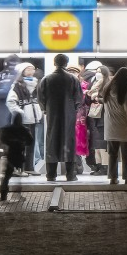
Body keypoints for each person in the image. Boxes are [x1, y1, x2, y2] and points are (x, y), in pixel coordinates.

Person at [37, 53, 82, 181]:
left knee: (52, 141)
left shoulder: (46, 79)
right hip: (69, 115)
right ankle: (70, 174)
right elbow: (79, 98)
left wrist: (45, 109)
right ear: (66, 64)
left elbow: (40, 98)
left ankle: (51, 174)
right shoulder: (73, 79)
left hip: (52, 114)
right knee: (69, 141)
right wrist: (74, 110)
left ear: (54, 63)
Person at [5, 62, 40, 172]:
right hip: (22, 121)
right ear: (22, 71)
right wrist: (20, 112)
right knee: (21, 145)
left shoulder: (36, 84)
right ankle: (19, 168)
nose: (31, 71)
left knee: (32, 144)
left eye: (32, 69)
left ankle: (29, 167)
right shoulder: (17, 85)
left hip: (34, 119)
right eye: (28, 69)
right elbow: (10, 101)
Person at [102, 67, 127, 186]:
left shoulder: (107, 88)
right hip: (124, 128)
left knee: (112, 154)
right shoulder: (125, 90)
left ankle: (113, 178)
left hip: (110, 127)